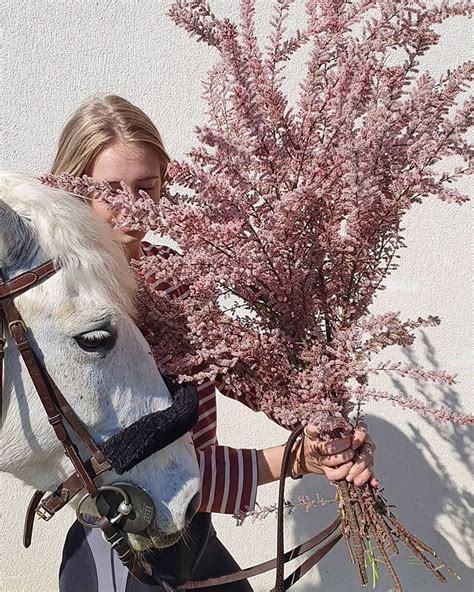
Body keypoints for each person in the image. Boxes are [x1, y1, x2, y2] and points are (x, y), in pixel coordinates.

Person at [52, 95, 377, 592]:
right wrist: (291, 462)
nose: (130, 207)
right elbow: (149, 473)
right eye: (108, 190)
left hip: (196, 537)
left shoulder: (177, 281)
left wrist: (318, 437)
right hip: (127, 549)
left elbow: (234, 400)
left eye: (146, 187)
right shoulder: (72, 312)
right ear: (74, 190)